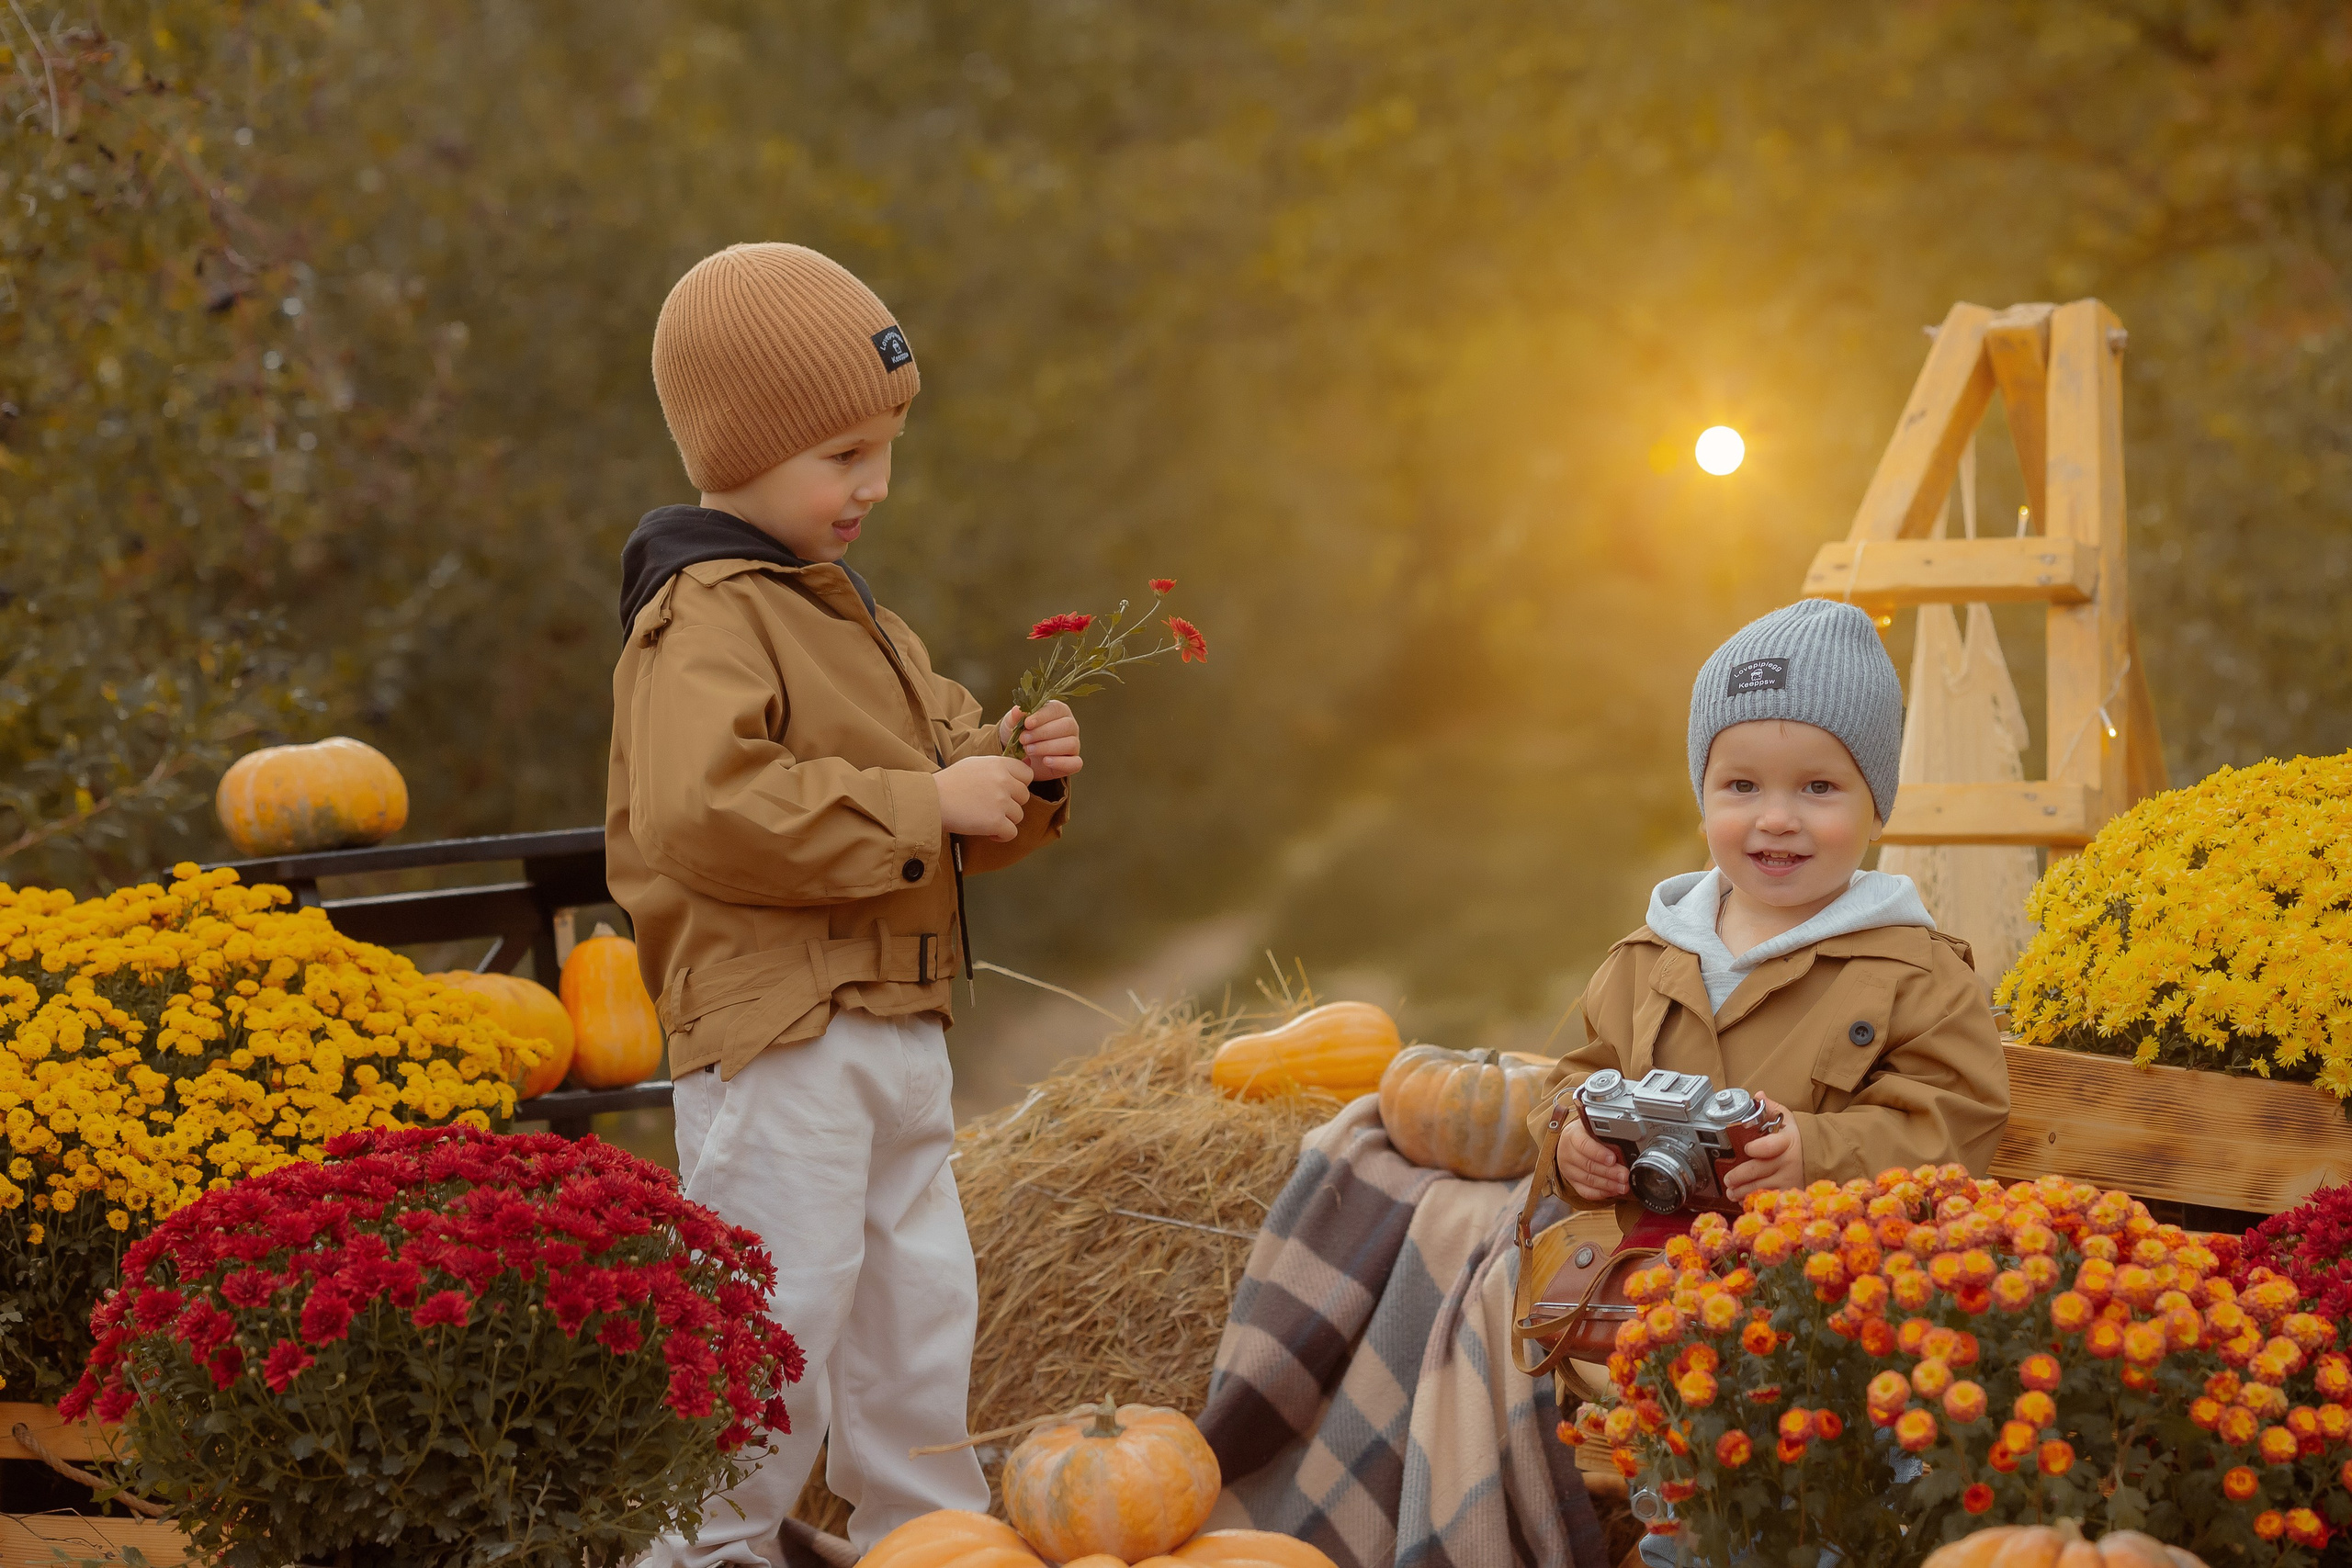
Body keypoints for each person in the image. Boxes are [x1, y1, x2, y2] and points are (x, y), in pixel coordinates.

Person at [606, 243, 1079, 1563]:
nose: (873, 482)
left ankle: (928, 1532)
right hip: (781, 1031)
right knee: (777, 1307)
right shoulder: (702, 614)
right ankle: (704, 1544)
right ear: (741, 447)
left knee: (919, 1298)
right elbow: (709, 810)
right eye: (840, 455)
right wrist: (931, 802)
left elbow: (936, 804)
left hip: (894, 1018)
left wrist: (1018, 783)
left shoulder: (856, 613)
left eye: (886, 446)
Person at [1529, 597, 2010, 1224]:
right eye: (1742, 786)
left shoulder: (1920, 976)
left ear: (1879, 810)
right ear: (1702, 803)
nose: (1777, 818)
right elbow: (1579, 1078)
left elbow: (1954, 1125)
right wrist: (1570, 1141)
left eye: (1818, 787)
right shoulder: (1647, 959)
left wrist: (1816, 1155)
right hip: (1643, 1284)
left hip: (1817, 1294)